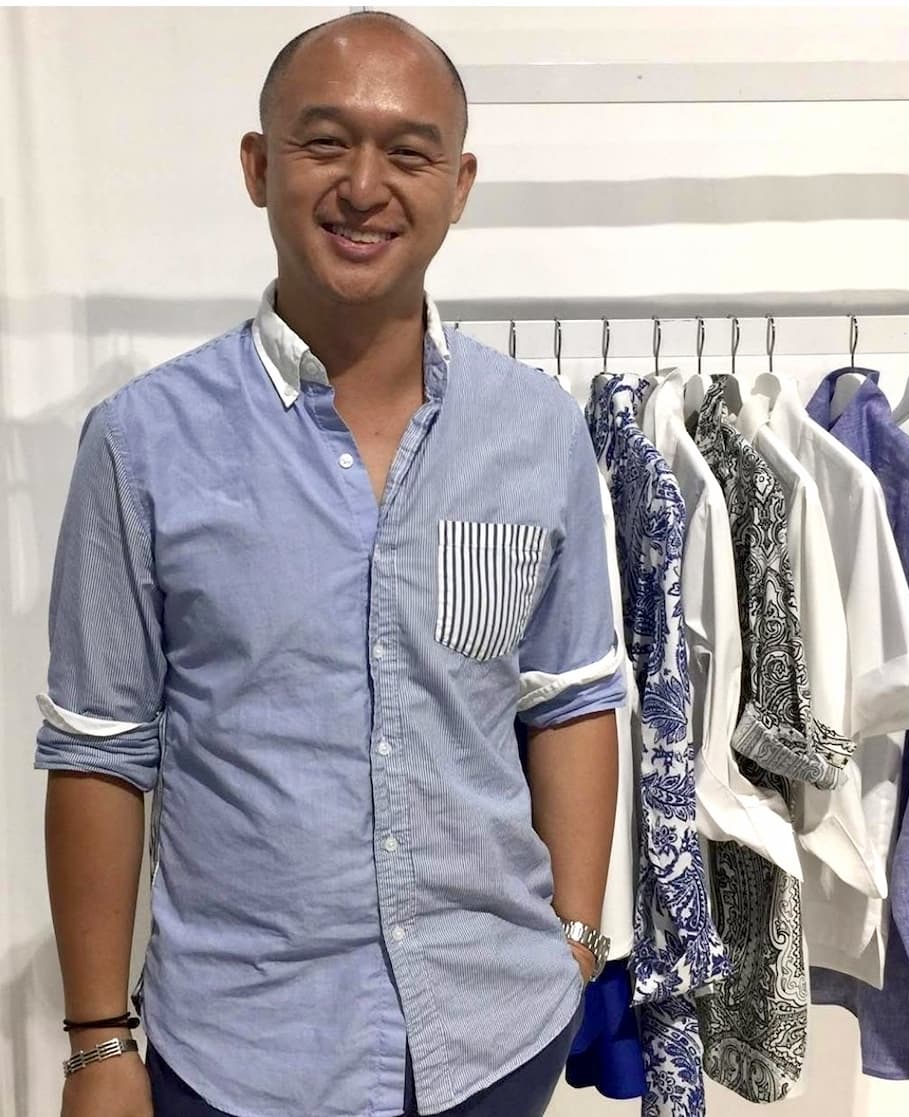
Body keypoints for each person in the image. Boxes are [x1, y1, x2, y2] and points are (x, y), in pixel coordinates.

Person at [36, 11, 624, 1116]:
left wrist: (575, 940)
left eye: (409, 152)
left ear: (460, 182)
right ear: (259, 167)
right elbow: (101, 749)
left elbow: (572, 694)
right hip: (241, 1053)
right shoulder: (143, 443)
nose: (365, 185)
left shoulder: (536, 431)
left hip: (495, 1037)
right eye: (324, 143)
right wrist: (99, 1042)